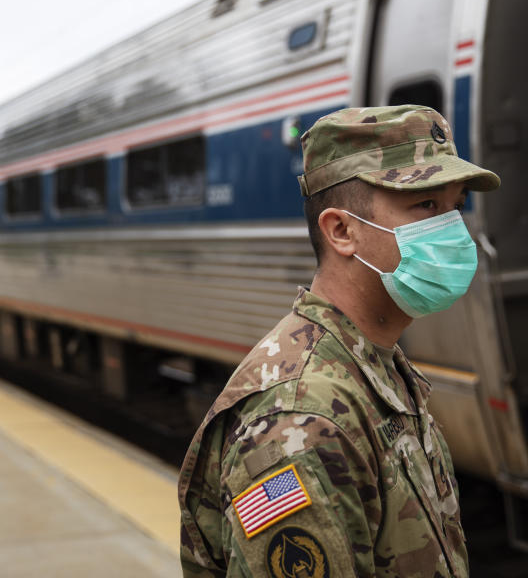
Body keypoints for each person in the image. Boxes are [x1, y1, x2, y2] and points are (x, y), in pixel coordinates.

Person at [178, 105, 500, 577]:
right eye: (426, 206)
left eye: (455, 207)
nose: (452, 229)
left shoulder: (370, 362)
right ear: (342, 231)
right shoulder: (302, 418)